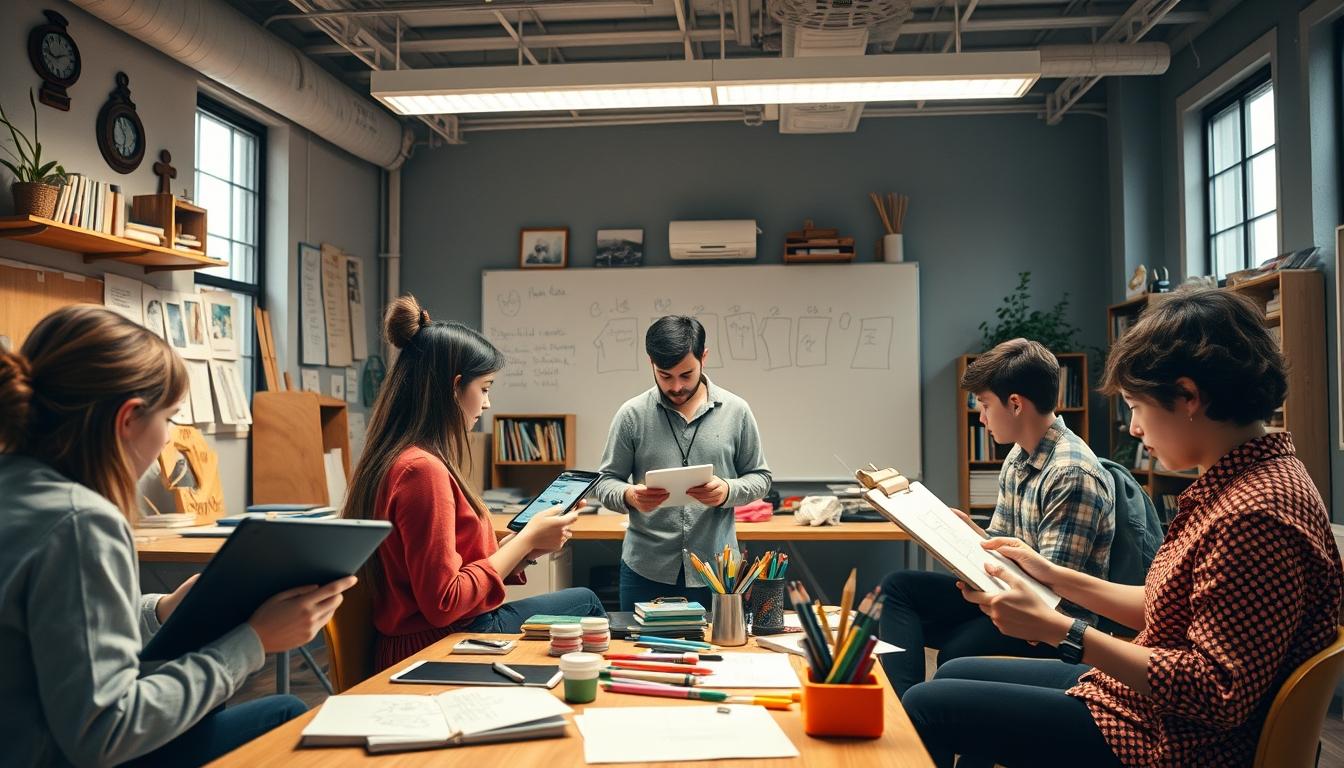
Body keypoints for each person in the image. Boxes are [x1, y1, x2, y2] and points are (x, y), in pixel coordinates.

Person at [902, 286, 1343, 768]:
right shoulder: (1242, 482)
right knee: (955, 674)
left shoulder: (1253, 515)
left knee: (929, 705)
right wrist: (1052, 573)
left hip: (1175, 741)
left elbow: (1215, 692)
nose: (1133, 429)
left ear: (1188, 396)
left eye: (1135, 405)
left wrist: (1062, 631)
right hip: (1150, 707)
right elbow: (1162, 603)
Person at [0, 304, 353, 767]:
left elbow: (58, 634)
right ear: (127, 419)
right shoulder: (81, 523)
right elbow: (104, 732)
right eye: (168, 418)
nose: (168, 438)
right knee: (283, 713)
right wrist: (254, 642)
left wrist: (161, 610)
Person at [343, 295, 604, 671]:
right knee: (587, 603)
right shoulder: (422, 471)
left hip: (425, 639)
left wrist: (525, 545)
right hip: (437, 645)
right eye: (484, 388)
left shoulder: (398, 458)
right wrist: (528, 539)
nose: (487, 403)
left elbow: (445, 567)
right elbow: (444, 601)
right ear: (454, 388)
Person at [879, 338, 1115, 697]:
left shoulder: (1071, 472)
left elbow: (1050, 598)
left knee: (958, 652)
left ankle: (926, 723)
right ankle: (903, 715)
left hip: (1050, 624)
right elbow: (1003, 546)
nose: (982, 417)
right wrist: (965, 533)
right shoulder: (1019, 456)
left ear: (1016, 404)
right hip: (1009, 590)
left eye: (985, 406)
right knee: (899, 588)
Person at [592, 315, 772, 611]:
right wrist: (629, 496)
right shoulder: (631, 415)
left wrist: (727, 491)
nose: (676, 386)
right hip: (645, 568)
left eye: (686, 375)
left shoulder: (736, 411)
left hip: (717, 572)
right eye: (665, 376)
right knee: (638, 654)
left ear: (704, 357)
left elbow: (761, 478)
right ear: (651, 362)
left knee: (719, 654)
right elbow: (604, 482)